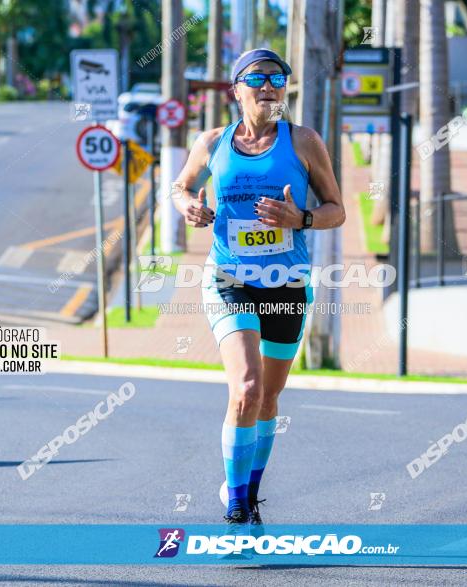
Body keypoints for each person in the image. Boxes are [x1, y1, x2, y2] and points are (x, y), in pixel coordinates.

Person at [171, 48, 345, 525]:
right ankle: (236, 505)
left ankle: (249, 488)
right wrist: (189, 206)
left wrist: (302, 217)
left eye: (278, 79)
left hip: (285, 281)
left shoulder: (305, 142)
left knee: (269, 396)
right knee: (245, 386)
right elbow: (180, 186)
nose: (269, 86)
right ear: (237, 90)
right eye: (258, 78)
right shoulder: (212, 143)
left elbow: (337, 209)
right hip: (229, 277)